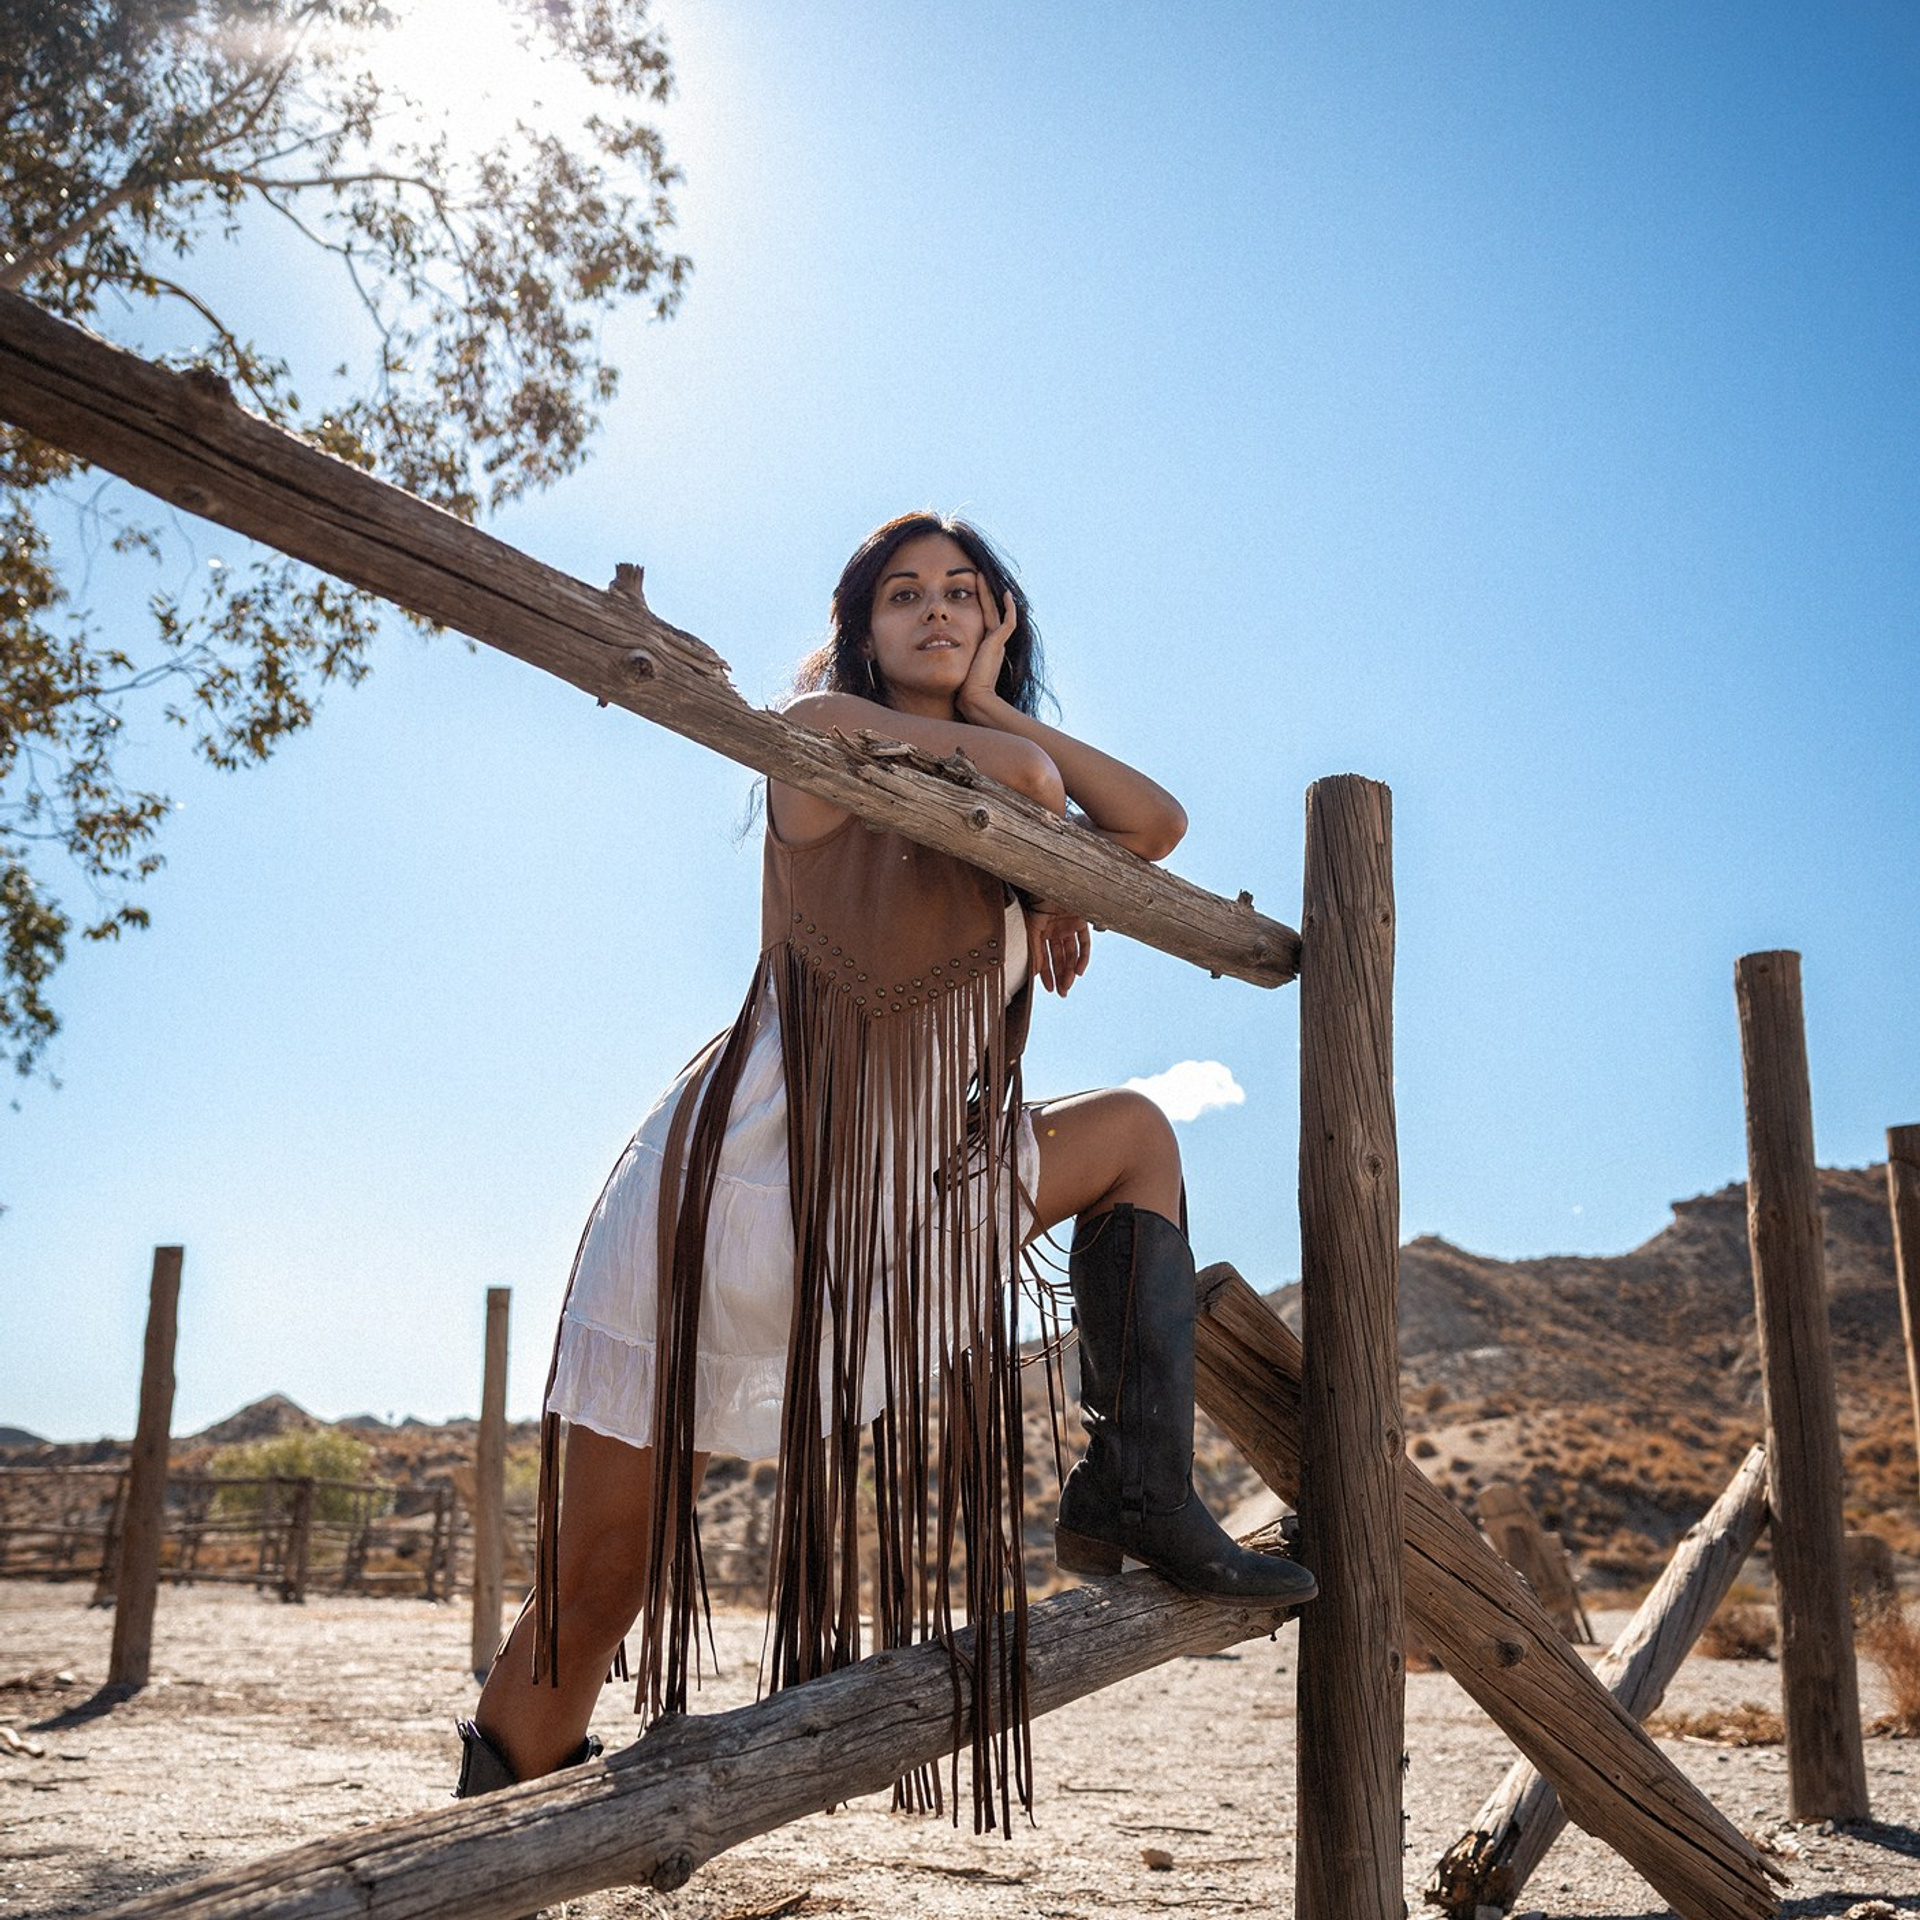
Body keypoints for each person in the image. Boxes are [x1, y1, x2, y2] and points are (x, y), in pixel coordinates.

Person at [454, 513, 1316, 1818]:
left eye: (966, 596)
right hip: (733, 1201)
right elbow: (1001, 779)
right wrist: (1015, 778)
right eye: (903, 594)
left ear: (1001, 625)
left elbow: (1157, 820)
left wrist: (1014, 786)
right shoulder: (809, 739)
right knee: (596, 1586)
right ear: (860, 627)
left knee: (1135, 1134)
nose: (935, 609)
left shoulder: (1006, 808)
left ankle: (1134, 1486)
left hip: (898, 1201)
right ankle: (484, 1841)